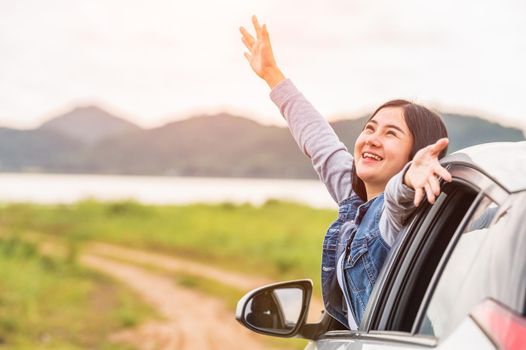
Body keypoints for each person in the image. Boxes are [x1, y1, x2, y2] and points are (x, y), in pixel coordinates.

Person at [239, 15, 452, 330]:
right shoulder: (356, 199)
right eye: (370, 128)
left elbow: (395, 201)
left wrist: (408, 180)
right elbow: (319, 142)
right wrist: (272, 75)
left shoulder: (399, 216)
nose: (372, 139)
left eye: (391, 134)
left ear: (417, 153)